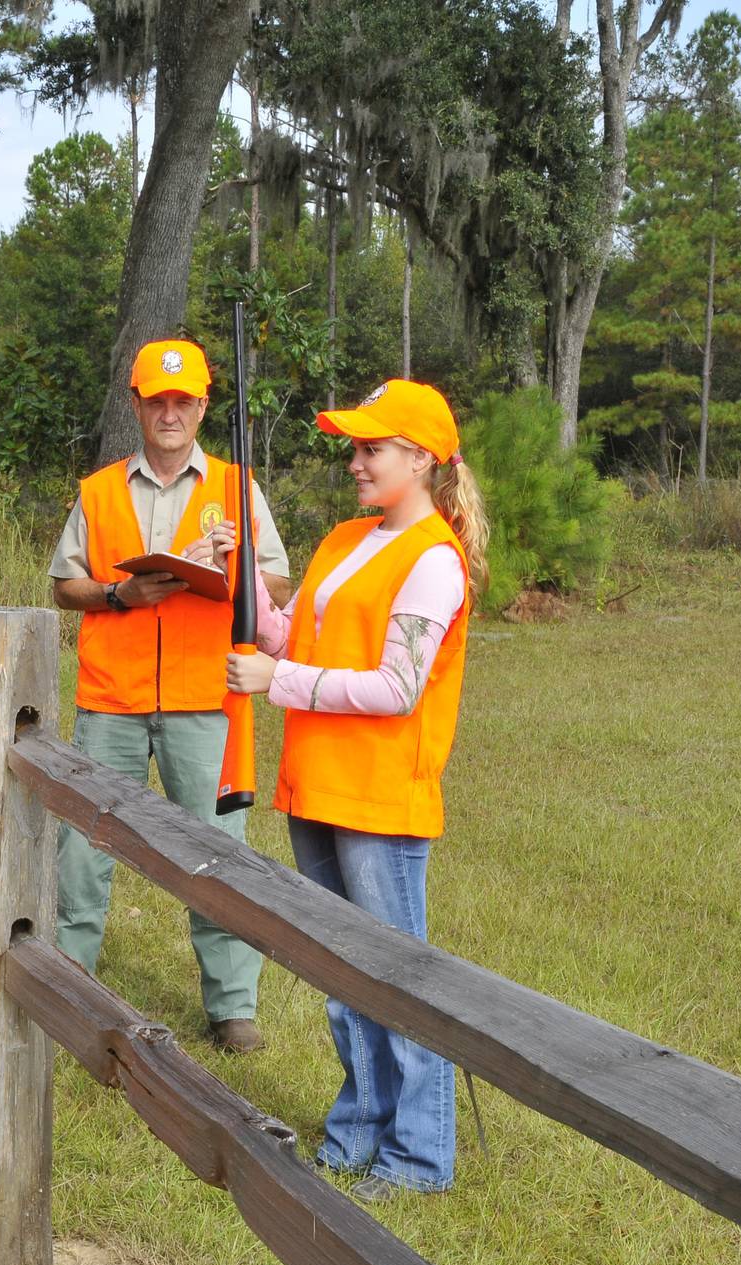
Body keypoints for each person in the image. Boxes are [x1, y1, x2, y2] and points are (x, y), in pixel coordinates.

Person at [225, 379, 489, 1201]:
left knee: (395, 979)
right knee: (344, 979)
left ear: (420, 458)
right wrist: (232, 579)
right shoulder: (346, 539)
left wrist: (279, 680)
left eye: (372, 448)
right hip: (317, 789)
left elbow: (396, 688)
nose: (355, 461)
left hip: (378, 797)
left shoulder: (435, 561)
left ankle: (417, 1160)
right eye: (355, 446)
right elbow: (285, 631)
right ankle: (355, 1137)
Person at [49, 337, 293, 1054]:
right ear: (136, 404)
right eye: (157, 400)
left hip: (204, 698)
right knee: (84, 848)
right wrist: (120, 592)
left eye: (183, 401)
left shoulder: (236, 488)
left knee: (217, 852)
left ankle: (232, 1009)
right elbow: (64, 586)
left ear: (204, 407)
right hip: (111, 698)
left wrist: (234, 559)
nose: (170, 413)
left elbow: (279, 586)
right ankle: (70, 981)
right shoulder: (98, 491)